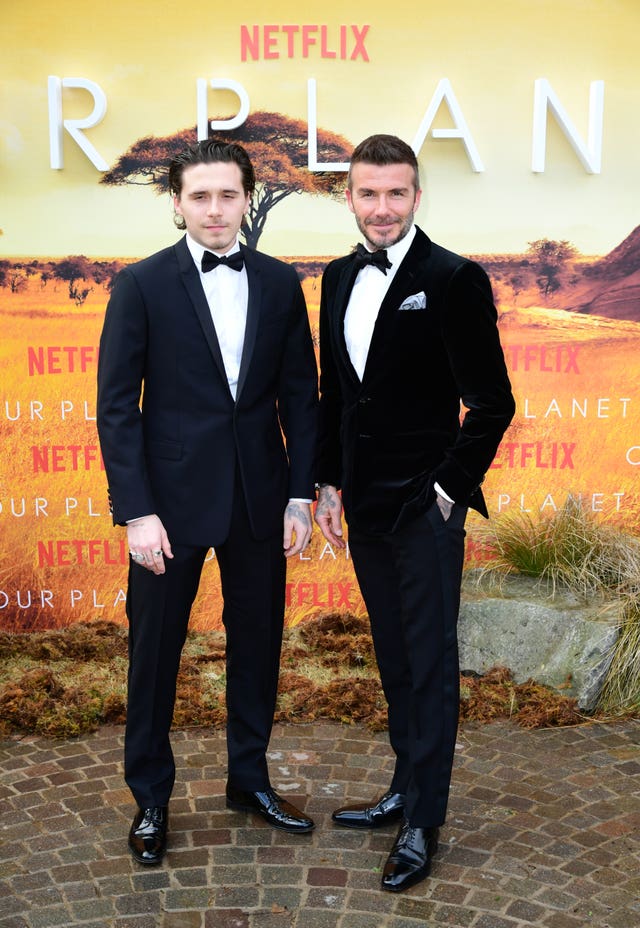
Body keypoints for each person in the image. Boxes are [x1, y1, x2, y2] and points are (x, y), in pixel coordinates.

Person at [97, 139, 319, 865]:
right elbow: (116, 408)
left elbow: (299, 398)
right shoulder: (140, 285)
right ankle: (151, 800)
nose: (215, 209)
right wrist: (136, 510)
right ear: (176, 203)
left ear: (247, 198)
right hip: (166, 507)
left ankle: (248, 781)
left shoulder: (283, 284)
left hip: (260, 500)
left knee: (257, 647)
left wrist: (297, 494)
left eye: (228, 195)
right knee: (154, 656)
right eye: (201, 196)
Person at [314, 134, 515, 893]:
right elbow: (339, 394)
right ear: (351, 197)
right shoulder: (336, 278)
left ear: (417, 196)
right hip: (362, 505)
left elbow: (493, 403)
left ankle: (424, 822)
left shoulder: (453, 278)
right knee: (395, 659)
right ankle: (403, 786)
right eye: (369, 193)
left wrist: (446, 492)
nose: (382, 207)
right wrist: (329, 484)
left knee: (429, 668)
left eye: (397, 193)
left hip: (424, 512)